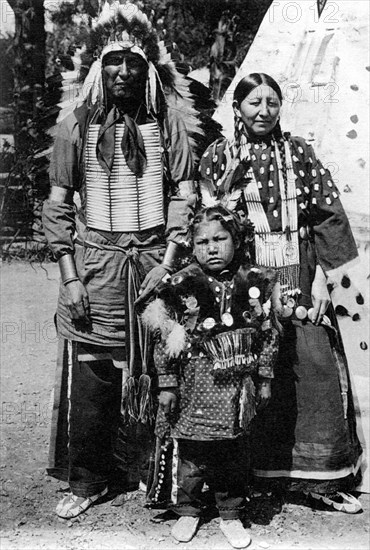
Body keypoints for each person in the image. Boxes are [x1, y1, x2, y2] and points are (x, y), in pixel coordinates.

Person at [42, 2, 202, 519]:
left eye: (134, 62)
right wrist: (69, 279)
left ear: (150, 69)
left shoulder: (168, 123)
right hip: (96, 264)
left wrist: (172, 260)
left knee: (163, 365)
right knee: (95, 369)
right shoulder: (75, 127)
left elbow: (184, 194)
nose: (124, 72)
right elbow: (59, 204)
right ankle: (88, 478)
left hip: (156, 259)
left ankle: (156, 470)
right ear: (97, 68)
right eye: (113, 61)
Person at [198, 73, 363, 513]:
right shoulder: (219, 157)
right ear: (238, 108)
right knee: (252, 374)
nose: (264, 111)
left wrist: (323, 278)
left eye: (272, 102)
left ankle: (321, 479)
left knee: (313, 368)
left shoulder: (299, 153)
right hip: (247, 282)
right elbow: (210, 226)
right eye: (254, 102)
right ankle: (253, 476)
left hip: (299, 268)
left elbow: (328, 214)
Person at [143, 205, 280, 548]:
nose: (212, 248)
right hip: (192, 384)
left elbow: (268, 334)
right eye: (202, 242)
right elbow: (165, 337)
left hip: (235, 388)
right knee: (190, 450)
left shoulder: (256, 282)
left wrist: (263, 378)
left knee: (232, 451)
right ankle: (188, 508)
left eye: (220, 239)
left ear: (238, 239)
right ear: (192, 245)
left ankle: (230, 511)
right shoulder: (179, 284)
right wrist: (168, 383)